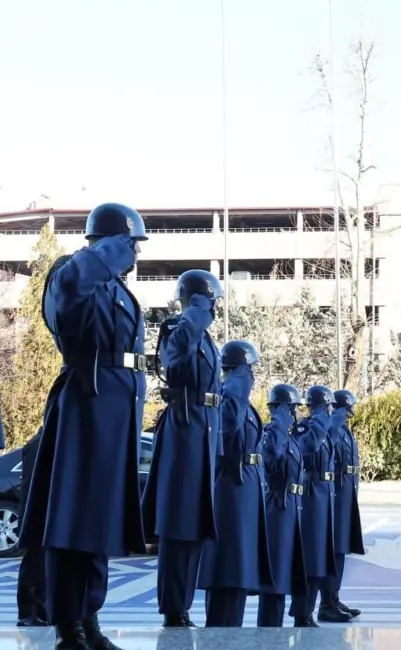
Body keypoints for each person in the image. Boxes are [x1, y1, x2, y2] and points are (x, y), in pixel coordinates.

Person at [20, 203, 148, 650]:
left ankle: (90, 620)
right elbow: (68, 300)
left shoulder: (114, 287)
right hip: (85, 409)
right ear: (110, 242)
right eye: (130, 243)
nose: (135, 253)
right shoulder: (73, 272)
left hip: (113, 414)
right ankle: (68, 627)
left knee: (99, 523)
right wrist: (103, 253)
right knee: (72, 521)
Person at [141, 268, 224, 628]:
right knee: (178, 527)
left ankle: (183, 606)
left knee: (196, 526)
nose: (214, 309)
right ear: (199, 301)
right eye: (210, 302)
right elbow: (174, 369)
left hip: (203, 434)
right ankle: (174, 608)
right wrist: (192, 316)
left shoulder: (204, 337)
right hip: (184, 434)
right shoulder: (179, 329)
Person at [198, 340, 273, 627]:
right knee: (230, 567)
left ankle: (231, 631)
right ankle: (222, 633)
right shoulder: (229, 396)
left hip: (244, 491)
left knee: (239, 569)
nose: (252, 375)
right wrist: (237, 390)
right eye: (249, 369)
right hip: (231, 490)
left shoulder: (238, 398)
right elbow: (226, 430)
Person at [257, 384, 309, 628]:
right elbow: (271, 457)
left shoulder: (290, 437)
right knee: (275, 576)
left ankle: (275, 628)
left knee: (286, 573)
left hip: (292, 508)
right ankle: (269, 630)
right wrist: (278, 422)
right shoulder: (271, 434)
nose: (295, 413)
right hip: (277, 509)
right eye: (291, 408)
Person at [290, 385, 339, 627]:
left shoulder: (324, 429)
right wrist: (319, 423)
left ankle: (308, 611)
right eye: (328, 406)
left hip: (323, 499)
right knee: (310, 559)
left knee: (320, 559)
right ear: (321, 407)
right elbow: (305, 453)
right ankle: (302, 613)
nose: (331, 410)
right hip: (309, 501)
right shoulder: (304, 429)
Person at [319, 389, 364, 621]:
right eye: (348, 408)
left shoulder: (345, 429)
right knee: (333, 549)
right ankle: (326, 604)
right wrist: (334, 424)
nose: (350, 412)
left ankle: (334, 598)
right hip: (335, 496)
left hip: (346, 495)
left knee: (341, 549)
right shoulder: (332, 428)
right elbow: (328, 449)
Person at [16, 428, 47, 627]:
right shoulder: (38, 444)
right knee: (35, 563)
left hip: (40, 513)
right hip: (37, 514)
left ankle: (41, 611)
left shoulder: (43, 442)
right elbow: (35, 484)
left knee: (42, 565)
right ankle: (27, 612)